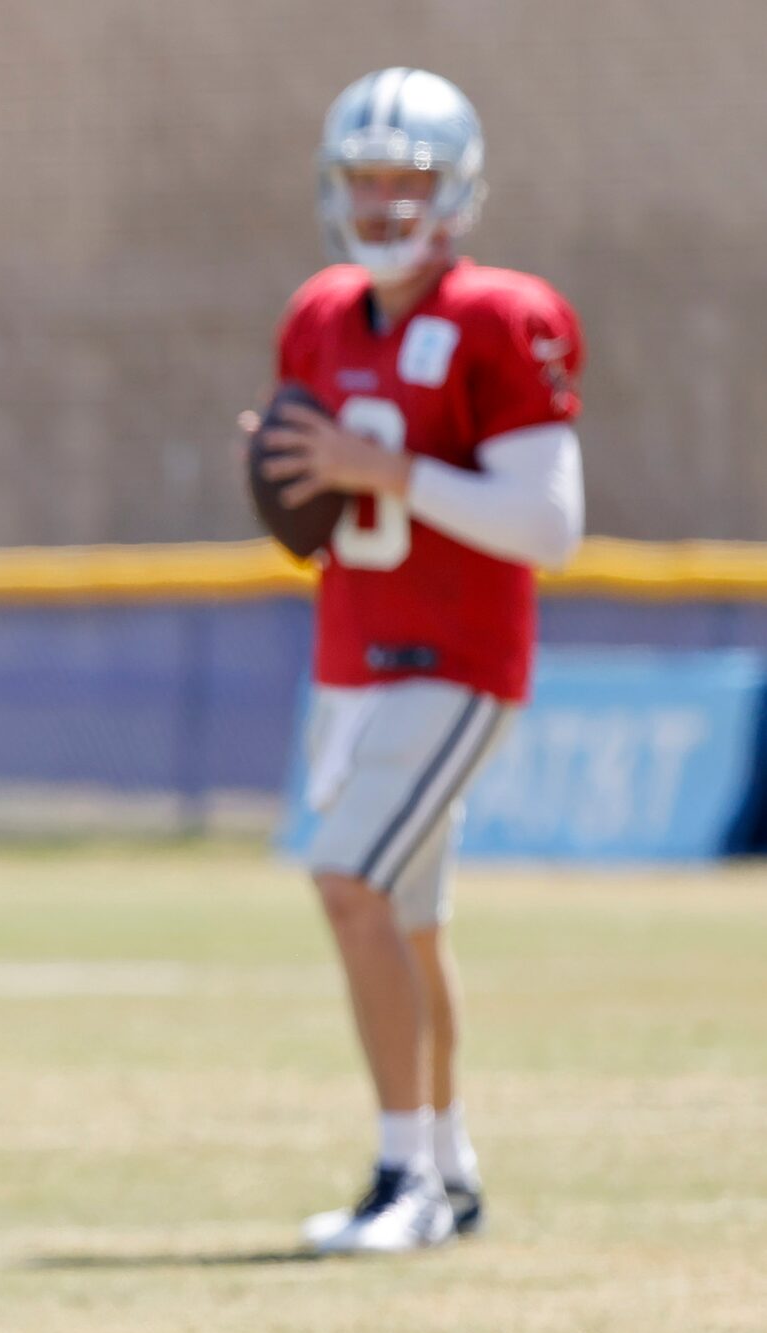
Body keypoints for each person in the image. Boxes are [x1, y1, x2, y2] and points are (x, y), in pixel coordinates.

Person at [252, 69, 583, 1256]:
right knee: (407, 916)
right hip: (351, 652)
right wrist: (296, 476)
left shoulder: (505, 314)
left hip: (453, 654)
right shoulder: (319, 312)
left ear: (456, 190)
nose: (385, 202)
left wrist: (385, 470)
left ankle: (403, 1177)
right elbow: (316, 491)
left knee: (345, 882)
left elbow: (548, 527)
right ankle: (447, 1166)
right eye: (364, 178)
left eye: (407, 179)